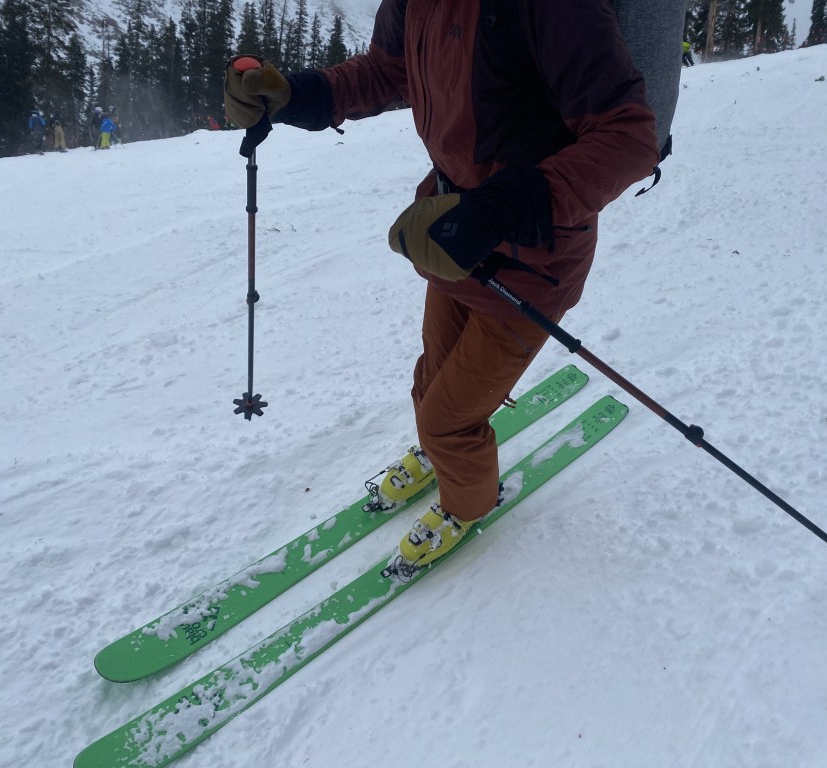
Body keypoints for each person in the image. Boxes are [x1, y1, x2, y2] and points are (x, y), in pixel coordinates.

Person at [223, 0, 659, 571]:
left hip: (533, 253)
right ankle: (439, 455)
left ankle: (468, 503)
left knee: (447, 418)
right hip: (453, 230)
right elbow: (388, 69)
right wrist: (298, 95)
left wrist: (497, 212)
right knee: (432, 377)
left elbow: (629, 138)